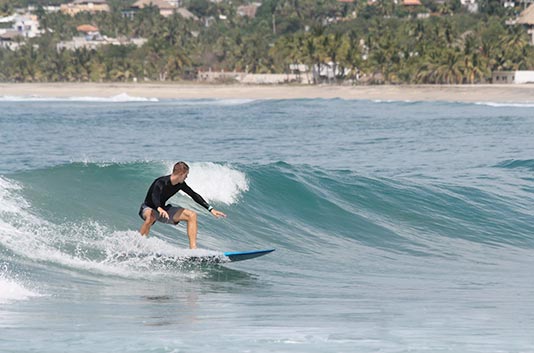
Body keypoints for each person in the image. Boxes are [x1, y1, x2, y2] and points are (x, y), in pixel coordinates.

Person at [138, 161, 226, 249]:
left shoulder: (180, 184)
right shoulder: (160, 182)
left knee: (191, 215)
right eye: (186, 175)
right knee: (151, 217)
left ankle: (193, 250)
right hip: (148, 208)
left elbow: (193, 195)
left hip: (163, 210)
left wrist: (211, 209)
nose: (186, 177)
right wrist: (159, 208)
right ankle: (138, 246)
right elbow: (154, 196)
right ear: (181, 173)